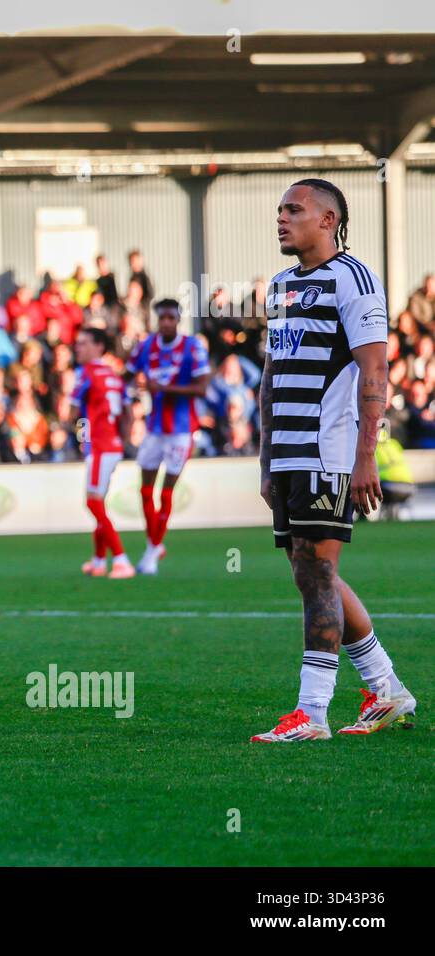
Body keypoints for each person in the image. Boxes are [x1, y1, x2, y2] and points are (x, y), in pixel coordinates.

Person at [251, 178, 416, 742]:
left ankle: (312, 713)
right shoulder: (278, 287)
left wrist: (366, 456)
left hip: (330, 449)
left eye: (293, 210)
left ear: (327, 220)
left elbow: (374, 372)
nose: (281, 219)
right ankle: (385, 687)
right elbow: (272, 379)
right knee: (308, 572)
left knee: (319, 572)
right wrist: (267, 460)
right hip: (289, 453)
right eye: (279, 210)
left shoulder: (355, 279)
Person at [127, 298, 211, 574]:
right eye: (161, 318)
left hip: (181, 431)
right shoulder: (146, 346)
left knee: (166, 491)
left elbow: (202, 389)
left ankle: (152, 551)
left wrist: (164, 387)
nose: (165, 322)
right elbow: (128, 375)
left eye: (170, 318)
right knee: (145, 489)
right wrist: (131, 395)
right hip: (153, 428)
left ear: (178, 319)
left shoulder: (192, 348)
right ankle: (154, 543)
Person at [72, 326, 134, 578]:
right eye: (78, 343)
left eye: (84, 343)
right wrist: (123, 439)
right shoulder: (113, 374)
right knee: (99, 503)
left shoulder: (86, 373)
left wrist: (81, 439)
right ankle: (99, 561)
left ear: (99, 346)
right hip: (113, 444)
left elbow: (74, 411)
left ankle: (121, 559)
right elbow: (128, 412)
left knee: (93, 502)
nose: (79, 348)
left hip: (98, 446)